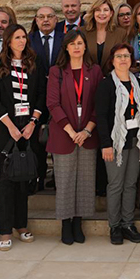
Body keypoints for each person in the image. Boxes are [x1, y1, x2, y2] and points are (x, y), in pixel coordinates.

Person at [0, 24, 43, 251]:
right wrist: (9, 124)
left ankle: (21, 225)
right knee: (7, 181)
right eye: (17, 37)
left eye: (24, 37)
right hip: (5, 130)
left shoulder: (33, 65)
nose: (21, 41)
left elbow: (40, 95)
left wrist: (33, 122)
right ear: (8, 41)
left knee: (24, 179)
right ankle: (6, 230)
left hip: (27, 129)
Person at [46, 30, 101, 245]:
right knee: (65, 180)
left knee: (86, 180)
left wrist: (86, 130)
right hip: (64, 134)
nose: (77, 47)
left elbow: (99, 103)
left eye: (80, 43)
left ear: (85, 46)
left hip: (88, 133)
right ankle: (66, 224)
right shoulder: (57, 71)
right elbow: (52, 104)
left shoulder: (94, 71)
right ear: (66, 47)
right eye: (72, 44)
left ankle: (78, 222)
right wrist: (71, 131)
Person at [96, 43, 140, 245]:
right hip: (116, 143)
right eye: (119, 56)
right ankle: (114, 226)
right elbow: (101, 117)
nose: (123, 60)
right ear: (112, 60)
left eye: (127, 56)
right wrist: (106, 144)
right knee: (116, 184)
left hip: (136, 141)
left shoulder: (137, 83)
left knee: (130, 184)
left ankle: (128, 224)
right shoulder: (106, 84)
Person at [28, 6, 61, 191]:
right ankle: (37, 176)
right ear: (36, 20)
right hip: (37, 96)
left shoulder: (64, 40)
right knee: (36, 138)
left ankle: (58, 176)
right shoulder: (29, 40)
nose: (45, 20)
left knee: (58, 135)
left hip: (60, 95)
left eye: (49, 17)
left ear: (56, 20)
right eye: (41, 17)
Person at [84, 0, 125, 67]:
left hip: (112, 76)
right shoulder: (82, 32)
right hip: (88, 76)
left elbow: (124, 58)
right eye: (98, 10)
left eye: (105, 10)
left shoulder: (121, 33)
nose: (102, 13)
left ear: (111, 13)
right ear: (93, 13)